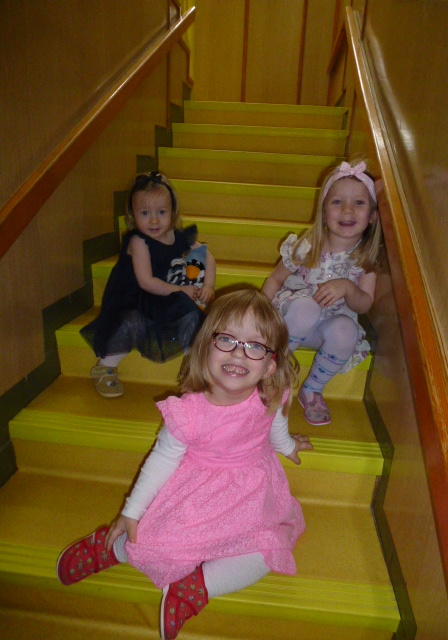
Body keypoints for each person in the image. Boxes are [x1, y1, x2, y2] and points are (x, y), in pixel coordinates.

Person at [57, 289, 312, 640]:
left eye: (255, 345)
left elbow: (276, 428)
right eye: (227, 340)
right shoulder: (189, 412)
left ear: (269, 365)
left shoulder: (271, 394)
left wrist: (289, 447)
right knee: (153, 543)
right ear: (205, 348)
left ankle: (196, 588)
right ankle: (110, 547)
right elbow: (161, 460)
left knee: (268, 550)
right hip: (198, 492)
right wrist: (131, 512)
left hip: (252, 494)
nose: (239, 353)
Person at [262, 161, 382, 426]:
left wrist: (348, 287)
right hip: (292, 320)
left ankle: (312, 390)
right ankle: (272, 370)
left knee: (347, 330)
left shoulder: (365, 259)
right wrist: (260, 311)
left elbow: (364, 304)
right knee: (307, 307)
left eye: (359, 203)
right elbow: (276, 278)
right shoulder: (308, 245)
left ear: (373, 216)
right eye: (337, 202)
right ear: (324, 210)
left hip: (323, 330)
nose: (348, 210)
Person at [80, 172, 216, 398]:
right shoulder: (138, 242)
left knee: (191, 315)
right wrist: (182, 289)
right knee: (131, 322)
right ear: (133, 215)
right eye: (145, 213)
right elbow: (146, 282)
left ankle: (196, 368)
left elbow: (207, 256)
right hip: (136, 297)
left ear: (172, 212)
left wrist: (209, 285)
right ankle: (105, 366)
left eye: (161, 212)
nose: (154, 221)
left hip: (166, 293)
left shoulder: (177, 236)